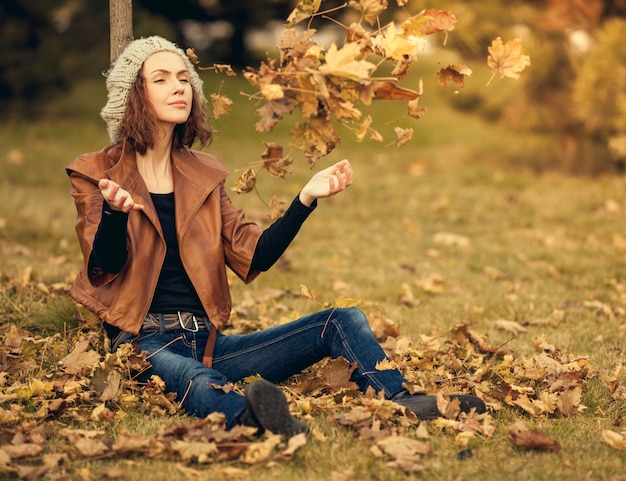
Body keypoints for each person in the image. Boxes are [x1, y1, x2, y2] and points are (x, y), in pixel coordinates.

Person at [66, 36, 486, 439]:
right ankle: (255, 418)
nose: (179, 87)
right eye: (160, 79)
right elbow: (104, 264)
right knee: (195, 378)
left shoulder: (204, 173)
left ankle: (400, 399)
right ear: (133, 95)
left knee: (342, 320)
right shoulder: (96, 172)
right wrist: (116, 215)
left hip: (209, 342)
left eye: (183, 77)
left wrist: (304, 199)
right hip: (144, 343)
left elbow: (254, 254)